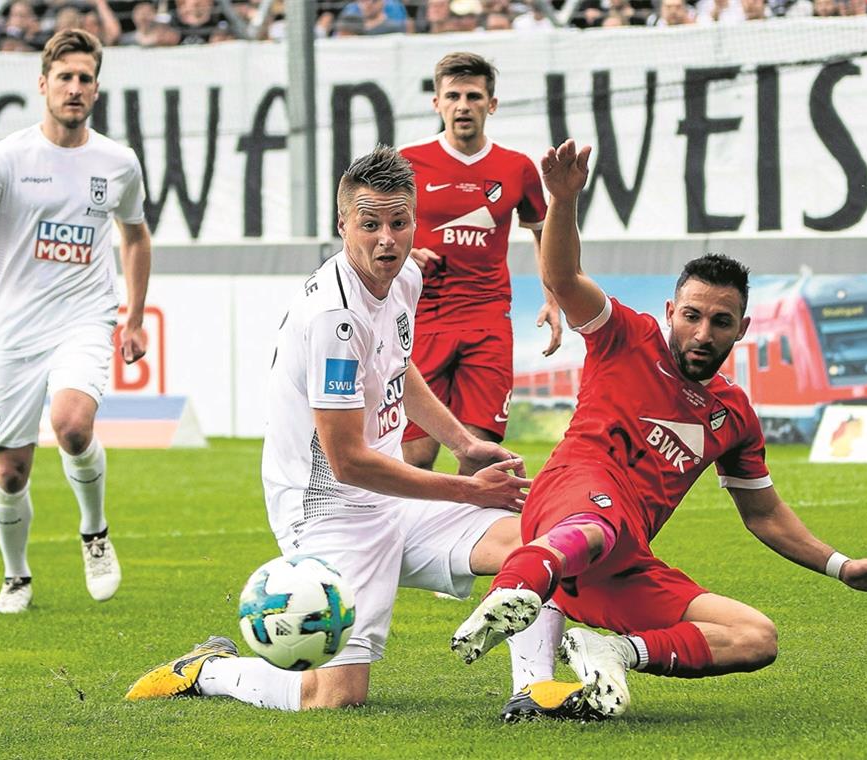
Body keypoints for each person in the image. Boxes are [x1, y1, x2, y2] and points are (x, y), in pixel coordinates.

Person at [450, 139, 867, 720]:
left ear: (741, 328)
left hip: (619, 564)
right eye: (693, 316)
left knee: (755, 636)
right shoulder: (625, 336)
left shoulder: (734, 417)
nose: (703, 332)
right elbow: (565, 276)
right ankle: (512, 593)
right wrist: (562, 199)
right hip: (572, 500)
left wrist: (842, 565)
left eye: (720, 322)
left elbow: (765, 514)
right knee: (599, 520)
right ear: (672, 311)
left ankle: (613, 652)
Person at [125, 146, 564, 715]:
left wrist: (463, 444)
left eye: (399, 223)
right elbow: (348, 462)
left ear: (414, 222)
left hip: (391, 501)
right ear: (342, 225)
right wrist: (467, 489)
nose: (387, 239)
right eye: (370, 224)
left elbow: (397, 365)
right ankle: (212, 669)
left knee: (538, 544)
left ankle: (534, 692)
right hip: (328, 511)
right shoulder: (335, 319)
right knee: (332, 699)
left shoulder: (404, 276)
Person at [0, 29, 151, 614]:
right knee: (11, 471)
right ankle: (17, 576)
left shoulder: (117, 162)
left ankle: (94, 531)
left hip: (84, 320)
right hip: (16, 329)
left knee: (72, 425)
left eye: (85, 78)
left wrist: (134, 319)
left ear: (97, 88)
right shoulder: (8, 157)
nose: (75, 88)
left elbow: (136, 238)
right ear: (42, 85)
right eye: (64, 77)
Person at [399, 52, 561, 472]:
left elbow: (543, 232)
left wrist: (553, 297)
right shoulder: (406, 164)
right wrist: (402, 252)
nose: (462, 105)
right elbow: (366, 225)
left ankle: (471, 539)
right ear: (437, 103)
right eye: (452, 95)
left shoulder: (517, 168)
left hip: (487, 317)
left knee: (480, 452)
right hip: (422, 317)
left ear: (491, 104)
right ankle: (411, 539)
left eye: (473, 96)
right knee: (416, 456)